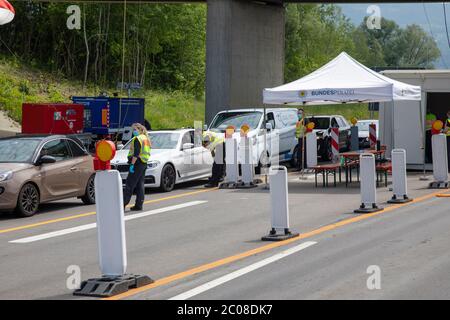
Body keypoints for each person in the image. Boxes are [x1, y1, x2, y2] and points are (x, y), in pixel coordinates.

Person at [123, 123, 151, 211]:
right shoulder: (145, 138)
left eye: (135, 129)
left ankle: (122, 204)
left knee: (129, 184)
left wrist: (132, 164)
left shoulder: (138, 139)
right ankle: (139, 205)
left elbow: (136, 153)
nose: (133, 131)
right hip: (144, 163)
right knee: (140, 184)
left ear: (140, 130)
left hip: (137, 163)